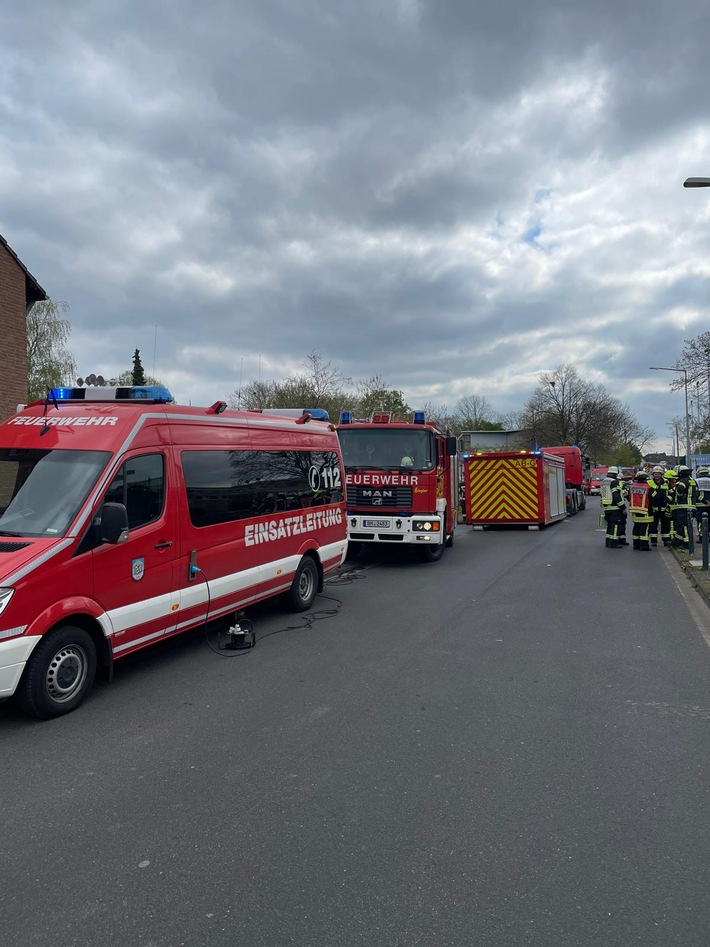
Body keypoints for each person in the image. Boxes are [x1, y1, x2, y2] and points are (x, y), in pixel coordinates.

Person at [671, 465, 697, 550]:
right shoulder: (692, 481)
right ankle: (677, 542)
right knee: (687, 524)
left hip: (682, 506)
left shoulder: (682, 481)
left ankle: (686, 543)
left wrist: (679, 495)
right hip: (692, 506)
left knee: (683, 525)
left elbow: (679, 491)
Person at [600, 465, 627, 548]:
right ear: (616, 474)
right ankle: (614, 543)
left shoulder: (604, 481)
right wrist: (623, 507)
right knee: (615, 525)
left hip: (606, 507)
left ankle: (608, 542)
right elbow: (616, 496)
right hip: (614, 507)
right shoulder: (614, 482)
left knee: (610, 526)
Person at [628, 471, 653, 550]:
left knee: (636, 527)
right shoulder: (649, 488)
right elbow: (654, 498)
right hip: (645, 510)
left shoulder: (632, 487)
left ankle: (636, 545)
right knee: (644, 528)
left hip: (634, 511)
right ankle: (644, 546)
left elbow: (628, 497)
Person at [648, 465, 670, 547]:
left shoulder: (666, 483)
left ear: (661, 474)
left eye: (658, 474)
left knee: (666, 525)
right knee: (653, 525)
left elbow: (671, 492)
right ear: (653, 475)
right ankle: (654, 541)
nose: (657, 475)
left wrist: (669, 499)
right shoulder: (649, 483)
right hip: (653, 508)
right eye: (655, 474)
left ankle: (666, 541)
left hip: (665, 508)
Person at [693, 466, 710, 541]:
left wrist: (704, 501)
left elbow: (695, 494)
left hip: (700, 505)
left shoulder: (696, 481)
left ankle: (702, 537)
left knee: (700, 521)